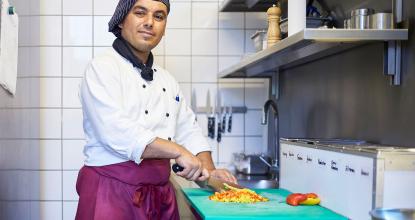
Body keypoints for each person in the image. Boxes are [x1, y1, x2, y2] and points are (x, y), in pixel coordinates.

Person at [75, 0, 237, 219]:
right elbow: (117, 131)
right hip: (111, 192)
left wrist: (209, 172)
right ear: (122, 20)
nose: (150, 22)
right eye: (140, 13)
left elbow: (188, 129)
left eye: (159, 16)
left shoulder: (167, 79)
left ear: (164, 28)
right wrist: (179, 151)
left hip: (160, 194)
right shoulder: (102, 68)